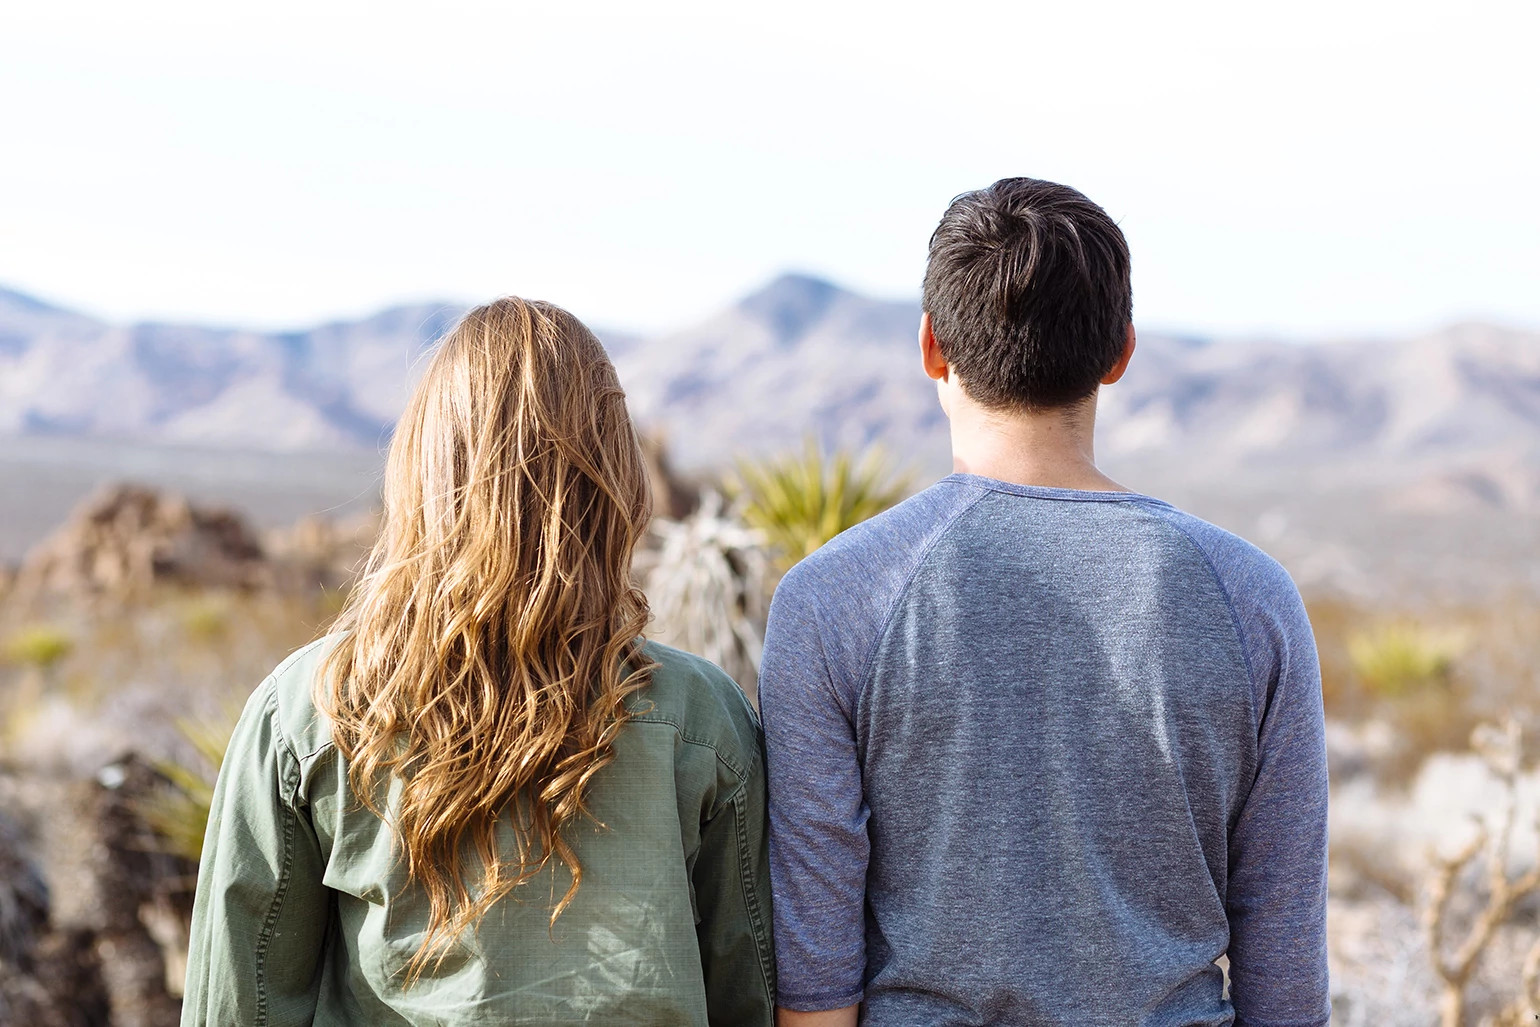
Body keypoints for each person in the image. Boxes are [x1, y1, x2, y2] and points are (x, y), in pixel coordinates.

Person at [758, 178, 1330, 1026]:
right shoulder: (1253, 600)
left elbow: (816, 982)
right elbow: (1285, 966)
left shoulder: (835, 598)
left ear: (931, 348)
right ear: (1120, 352)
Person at [181, 298, 775, 1026]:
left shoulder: (310, 711)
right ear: (613, 480)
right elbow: (751, 996)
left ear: (423, 473)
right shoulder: (703, 719)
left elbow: (235, 1006)